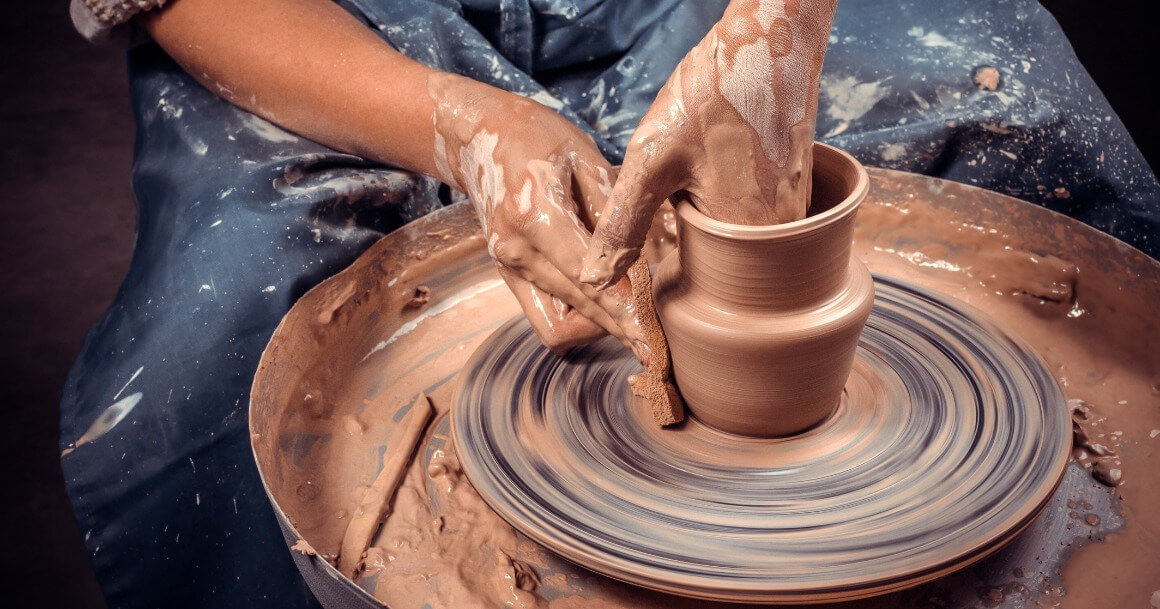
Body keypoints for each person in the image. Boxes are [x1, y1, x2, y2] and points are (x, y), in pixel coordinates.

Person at [63, 0, 1159, 607]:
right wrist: (460, 127)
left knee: (1039, 150)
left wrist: (778, 26)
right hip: (335, 16)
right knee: (209, 367)